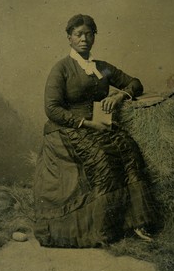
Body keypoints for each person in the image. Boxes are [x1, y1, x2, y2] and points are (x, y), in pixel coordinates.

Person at [34, 14, 157, 248]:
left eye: (89, 34)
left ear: (94, 38)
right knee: (101, 159)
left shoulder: (101, 67)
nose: (84, 39)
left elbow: (135, 83)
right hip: (67, 129)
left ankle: (137, 222)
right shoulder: (62, 68)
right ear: (69, 38)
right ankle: (106, 227)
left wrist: (120, 95)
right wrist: (86, 124)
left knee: (128, 150)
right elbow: (51, 108)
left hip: (99, 127)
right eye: (78, 34)